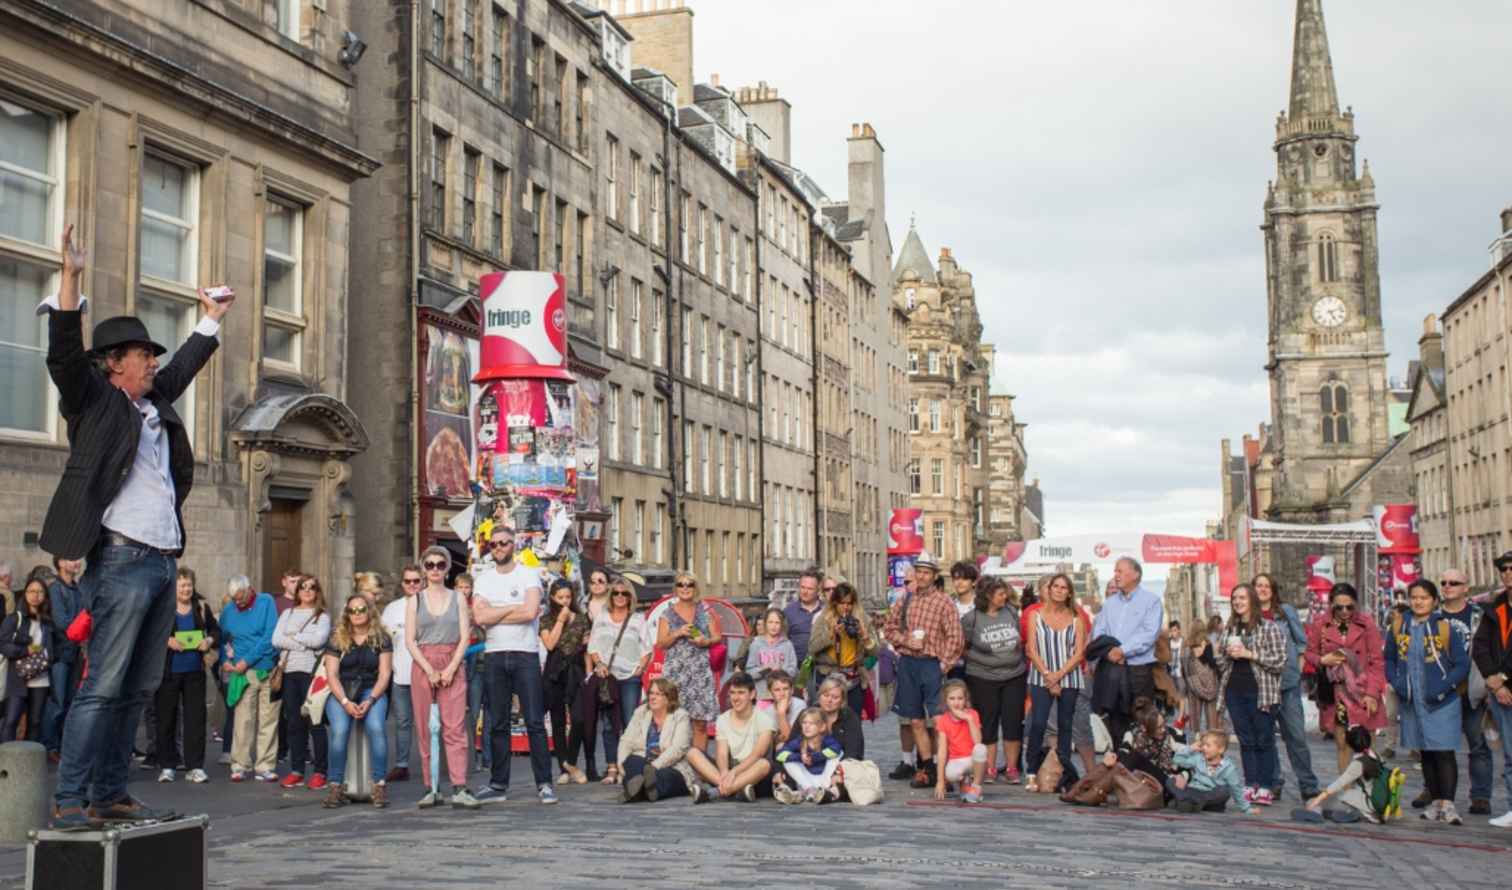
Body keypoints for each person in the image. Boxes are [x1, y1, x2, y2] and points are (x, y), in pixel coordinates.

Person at [43, 224, 230, 828]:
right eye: (143, 355)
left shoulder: (154, 403)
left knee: (135, 688)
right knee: (102, 686)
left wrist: (211, 318)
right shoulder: (95, 403)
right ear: (114, 365)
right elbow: (65, 358)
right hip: (121, 560)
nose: (153, 361)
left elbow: (186, 367)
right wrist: (71, 278)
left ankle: (110, 793)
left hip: (161, 560)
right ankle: (70, 798)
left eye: (153, 354)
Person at [471, 525, 555, 804]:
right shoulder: (483, 579)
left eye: (504, 543)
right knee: (497, 722)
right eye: (494, 544)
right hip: (495, 653)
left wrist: (496, 611)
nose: (499, 548)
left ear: (514, 545)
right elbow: (479, 618)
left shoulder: (528, 574)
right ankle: (498, 784)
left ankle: (544, 783)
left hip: (524, 653)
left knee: (534, 721)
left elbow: (530, 611)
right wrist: (511, 608)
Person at [1385, 579, 1470, 825]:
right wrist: (1397, 682)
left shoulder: (1445, 627)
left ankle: (1448, 804)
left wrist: (1444, 686)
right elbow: (1389, 659)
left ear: (1434, 600)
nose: (1418, 601)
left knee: (1443, 751)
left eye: (1424, 597)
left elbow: (1462, 664)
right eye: (1414, 597)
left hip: (1442, 701)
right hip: (1413, 700)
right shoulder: (1399, 626)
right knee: (1426, 753)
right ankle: (1434, 802)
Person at [882, 551, 964, 789]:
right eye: (919, 571)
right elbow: (889, 629)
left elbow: (955, 638)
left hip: (931, 664)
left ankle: (941, 766)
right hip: (909, 663)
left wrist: (943, 664)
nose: (922, 576)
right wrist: (906, 640)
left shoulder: (944, 602)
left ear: (934, 576)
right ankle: (926, 767)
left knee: (938, 720)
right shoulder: (906, 599)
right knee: (915, 720)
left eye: (927, 572)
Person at [407, 547, 476, 809]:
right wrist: (429, 669)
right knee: (425, 728)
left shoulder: (458, 598)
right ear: (424, 568)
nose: (435, 569)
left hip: (452, 662)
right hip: (423, 663)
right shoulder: (415, 600)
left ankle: (459, 785)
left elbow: (464, 636)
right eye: (430, 565)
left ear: (447, 568)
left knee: (455, 727)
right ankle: (431, 786)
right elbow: (410, 641)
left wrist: (450, 669)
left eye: (440, 564)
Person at [1214, 583, 1286, 806]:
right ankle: (1250, 783)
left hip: (1261, 691)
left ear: (1252, 600)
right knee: (1245, 740)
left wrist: (1249, 654)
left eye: (1242, 598)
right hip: (1235, 691)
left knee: (1263, 739)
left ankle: (1265, 786)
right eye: (1235, 598)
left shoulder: (1268, 627)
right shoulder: (1230, 629)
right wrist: (1224, 653)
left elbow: (1279, 661)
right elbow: (1221, 664)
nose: (1237, 602)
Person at [1305, 582, 1387, 774]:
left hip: (1363, 690)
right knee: (1342, 745)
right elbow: (1309, 653)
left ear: (1356, 604)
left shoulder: (1366, 624)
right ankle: (1346, 791)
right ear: (1331, 604)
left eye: (1349, 606)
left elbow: (1377, 662)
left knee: (1366, 746)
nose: (1344, 611)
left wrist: (1372, 694)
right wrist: (1322, 659)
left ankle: (1369, 792)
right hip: (1337, 693)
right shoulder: (1321, 624)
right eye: (1339, 607)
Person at [321, 595, 393, 809]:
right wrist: (344, 701)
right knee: (340, 730)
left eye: (361, 609)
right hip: (342, 690)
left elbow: (385, 674)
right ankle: (336, 786)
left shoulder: (382, 638)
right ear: (347, 614)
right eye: (352, 610)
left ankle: (379, 785)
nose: (357, 614)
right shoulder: (337, 638)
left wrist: (371, 700)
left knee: (376, 727)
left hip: (372, 690)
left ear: (370, 611)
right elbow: (331, 675)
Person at [1253, 573, 1320, 802]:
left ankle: (1308, 784)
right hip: (1261, 685)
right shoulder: (1248, 616)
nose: (1262, 589)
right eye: (1258, 585)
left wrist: (1298, 668)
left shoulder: (1286, 611)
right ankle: (1274, 781)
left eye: (1266, 585)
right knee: (1266, 738)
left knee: (1296, 737)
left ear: (1273, 589)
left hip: (1288, 683)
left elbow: (1301, 642)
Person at [1433, 568, 1492, 815]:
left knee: (1477, 744)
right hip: (1441, 690)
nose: (1448, 586)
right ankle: (1437, 793)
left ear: (1466, 588)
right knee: (1437, 745)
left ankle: (1480, 796)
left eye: (1454, 583)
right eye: (1444, 582)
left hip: (1472, 689)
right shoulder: (1433, 616)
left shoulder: (1479, 615)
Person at [1024, 573, 1087, 793]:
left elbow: (1079, 653)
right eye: (1056, 586)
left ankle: (1065, 774)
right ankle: (1031, 771)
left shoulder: (1077, 618)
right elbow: (1031, 649)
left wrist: (1058, 675)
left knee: (1065, 726)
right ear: (1049, 590)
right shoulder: (1035, 615)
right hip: (1041, 676)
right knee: (1038, 724)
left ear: (1069, 592)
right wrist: (1048, 676)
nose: (1059, 590)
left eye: (1064, 587)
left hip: (1068, 677)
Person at [961, 576, 1026, 785]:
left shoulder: (1010, 611)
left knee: (1012, 722)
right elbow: (963, 646)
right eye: (1000, 594)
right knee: (988, 724)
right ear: (988, 596)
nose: (1004, 597)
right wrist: (979, 659)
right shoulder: (972, 618)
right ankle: (989, 768)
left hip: (1014, 675)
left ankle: (1012, 767)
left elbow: (1019, 639)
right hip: (983, 677)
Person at [1091, 557, 1163, 745]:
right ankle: (1119, 765)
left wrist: (1123, 651)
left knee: (1142, 721)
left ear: (1136, 574)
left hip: (1138, 670)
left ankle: (1142, 768)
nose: (1115, 576)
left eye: (1119, 571)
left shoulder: (1151, 601)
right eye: (1115, 571)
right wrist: (1109, 652)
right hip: (1112, 669)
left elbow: (1149, 634)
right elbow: (1099, 632)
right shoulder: (1109, 604)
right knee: (1115, 720)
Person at [154, 568, 217, 784]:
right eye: (182, 585)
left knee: (195, 719)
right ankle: (167, 765)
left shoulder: (201, 607)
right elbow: (152, 632)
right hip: (169, 672)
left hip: (195, 672)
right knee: (166, 719)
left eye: (189, 584)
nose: (186, 589)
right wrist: (167, 640)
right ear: (174, 587)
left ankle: (195, 766)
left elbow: (216, 632)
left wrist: (208, 641)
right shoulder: (164, 608)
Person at [588, 576, 650, 785]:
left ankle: (629, 766)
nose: (620, 597)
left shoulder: (637, 619)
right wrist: (599, 664)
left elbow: (647, 646)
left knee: (630, 722)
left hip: (630, 676)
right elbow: (593, 645)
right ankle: (612, 766)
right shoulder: (602, 617)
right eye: (616, 593)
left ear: (630, 596)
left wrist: (639, 668)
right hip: (607, 677)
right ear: (610, 595)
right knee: (608, 724)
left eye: (624, 593)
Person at [272, 575, 331, 790]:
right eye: (302, 587)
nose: (306, 591)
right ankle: (297, 770)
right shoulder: (287, 613)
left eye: (311, 587)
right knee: (294, 723)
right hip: (289, 672)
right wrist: (303, 640)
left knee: (315, 722)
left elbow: (319, 641)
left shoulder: (322, 616)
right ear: (297, 592)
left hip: (311, 674)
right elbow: (276, 639)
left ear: (317, 591)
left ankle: (320, 771)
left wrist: (294, 636)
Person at [219, 576, 279, 782]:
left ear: (250, 589)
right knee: (243, 720)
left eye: (241, 597)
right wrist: (224, 660)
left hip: (267, 668)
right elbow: (222, 639)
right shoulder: (228, 611)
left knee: (268, 719)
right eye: (234, 599)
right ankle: (240, 764)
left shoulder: (266, 602)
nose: (238, 602)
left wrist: (247, 659)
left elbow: (270, 635)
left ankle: (265, 765)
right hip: (243, 673)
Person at [686, 672, 774, 802]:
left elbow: (757, 754)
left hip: (753, 770)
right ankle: (736, 790)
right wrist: (724, 773)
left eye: (741, 693)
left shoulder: (764, 718)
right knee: (692, 753)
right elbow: (721, 754)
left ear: (752, 694)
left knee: (764, 764)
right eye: (733, 693)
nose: (736, 698)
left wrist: (734, 773)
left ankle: (713, 793)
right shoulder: (723, 719)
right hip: (730, 769)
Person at [655, 572, 720, 742]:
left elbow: (718, 637)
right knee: (674, 722)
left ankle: (698, 766)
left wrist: (705, 641)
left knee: (700, 724)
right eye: (681, 585)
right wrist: (677, 633)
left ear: (695, 588)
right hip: (676, 675)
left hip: (700, 674)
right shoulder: (667, 613)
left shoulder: (705, 611)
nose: (685, 588)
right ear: (675, 589)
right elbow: (661, 643)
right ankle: (676, 765)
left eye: (689, 584)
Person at [541, 577, 595, 785]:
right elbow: (550, 644)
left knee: (579, 719)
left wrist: (589, 673)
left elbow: (588, 648)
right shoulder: (547, 619)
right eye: (560, 597)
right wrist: (561, 620)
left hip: (577, 670)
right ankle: (563, 766)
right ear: (553, 598)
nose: (564, 601)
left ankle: (571, 762)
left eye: (568, 597)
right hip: (555, 670)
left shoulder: (582, 619)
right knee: (557, 721)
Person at [1474, 552, 1512, 829]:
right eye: (1504, 568)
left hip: (1506, 685)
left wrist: (1504, 679)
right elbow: (1481, 647)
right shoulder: (1493, 608)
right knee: (1510, 753)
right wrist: (1491, 678)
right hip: (1499, 691)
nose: (1508, 572)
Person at [807, 582, 879, 716]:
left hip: (854, 679)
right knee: (829, 721)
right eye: (842, 603)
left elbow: (875, 653)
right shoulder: (824, 619)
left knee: (852, 722)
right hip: (829, 677)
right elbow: (812, 647)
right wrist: (831, 635)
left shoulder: (862, 620)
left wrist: (865, 638)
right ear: (835, 603)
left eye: (849, 603)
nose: (846, 607)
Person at [618, 678, 693, 803]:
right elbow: (626, 740)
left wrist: (654, 767)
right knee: (632, 761)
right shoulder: (641, 712)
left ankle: (640, 792)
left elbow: (678, 748)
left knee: (665, 777)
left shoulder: (680, 715)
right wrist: (621, 764)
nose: (652, 697)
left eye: (658, 694)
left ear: (668, 697)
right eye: (651, 693)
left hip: (670, 765)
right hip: (643, 762)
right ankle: (646, 789)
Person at [381, 564, 422, 783]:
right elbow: (383, 641)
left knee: (428, 722)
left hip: (427, 674)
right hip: (400, 674)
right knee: (403, 722)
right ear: (402, 584)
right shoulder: (392, 609)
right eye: (408, 581)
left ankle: (429, 763)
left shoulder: (432, 605)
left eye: (416, 581)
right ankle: (402, 765)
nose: (412, 585)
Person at [1, 577, 54, 742]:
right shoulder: (14, 619)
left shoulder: (47, 622)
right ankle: (6, 761)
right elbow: (2, 645)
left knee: (35, 722)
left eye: (40, 592)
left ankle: (28, 764)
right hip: (18, 677)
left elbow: (52, 650)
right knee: (11, 720)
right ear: (25, 594)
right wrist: (25, 650)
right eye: (31, 591)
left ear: (45, 596)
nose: (35, 595)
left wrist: (48, 657)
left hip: (41, 678)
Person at [1304, 725, 1389, 824]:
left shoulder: (1359, 764)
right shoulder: (1375, 755)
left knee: (1314, 801)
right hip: (1377, 798)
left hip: (1368, 801)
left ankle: (1363, 812)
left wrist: (1317, 800)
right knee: (1340, 797)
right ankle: (1354, 810)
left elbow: (1339, 783)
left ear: (1350, 744)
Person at [43, 556, 84, 759]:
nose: (77, 562)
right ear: (60, 563)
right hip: (60, 653)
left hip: (75, 652)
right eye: (72, 559)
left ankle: (61, 745)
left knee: (69, 702)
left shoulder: (78, 589)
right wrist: (81, 629)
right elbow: (61, 621)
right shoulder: (55, 589)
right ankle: (50, 745)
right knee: (57, 702)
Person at [1101, 696, 1178, 795]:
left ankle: (1098, 790)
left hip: (1163, 781)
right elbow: (1122, 755)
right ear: (1144, 728)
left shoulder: (1171, 735)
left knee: (1134, 757)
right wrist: (1111, 757)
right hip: (1139, 780)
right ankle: (1093, 789)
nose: (1163, 730)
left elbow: (1186, 762)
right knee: (1115, 761)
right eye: (1158, 727)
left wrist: (1184, 775)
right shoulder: (1133, 734)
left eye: (1163, 724)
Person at [1168, 730, 1254, 815]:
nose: (1204, 748)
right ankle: (1187, 801)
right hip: (1194, 790)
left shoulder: (1228, 767)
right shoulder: (1198, 758)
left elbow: (1236, 789)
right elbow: (1177, 760)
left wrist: (1246, 808)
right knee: (1171, 780)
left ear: (1220, 749)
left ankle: (1185, 802)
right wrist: (1190, 748)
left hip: (1211, 796)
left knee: (1225, 790)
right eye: (1203, 745)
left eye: (1208, 745)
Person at [774, 706, 844, 804]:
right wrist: (800, 757)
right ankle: (807, 790)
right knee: (788, 760)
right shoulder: (799, 741)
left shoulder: (826, 740)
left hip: (825, 778)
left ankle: (827, 791)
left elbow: (836, 749)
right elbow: (780, 755)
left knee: (838, 754)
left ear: (822, 727)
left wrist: (814, 757)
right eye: (804, 723)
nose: (807, 726)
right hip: (806, 780)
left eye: (812, 723)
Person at [933, 680, 987, 804]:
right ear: (945, 701)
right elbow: (942, 751)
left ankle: (976, 787)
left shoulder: (973, 714)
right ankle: (964, 782)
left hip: (974, 758)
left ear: (965, 699)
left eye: (960, 698)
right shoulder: (943, 720)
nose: (956, 702)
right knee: (951, 775)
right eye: (952, 699)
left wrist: (968, 719)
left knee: (981, 748)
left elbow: (978, 741)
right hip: (956, 759)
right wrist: (940, 781)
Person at [746, 609, 797, 702]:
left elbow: (793, 671)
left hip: (783, 697)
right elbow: (749, 671)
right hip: (762, 696)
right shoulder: (756, 644)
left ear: (782, 625)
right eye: (770, 622)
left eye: (777, 623)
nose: (774, 626)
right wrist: (763, 669)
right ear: (765, 623)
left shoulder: (787, 645)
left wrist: (781, 670)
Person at [783, 569, 826, 676]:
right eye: (802, 587)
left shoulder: (826, 611)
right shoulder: (789, 611)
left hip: (823, 667)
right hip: (798, 667)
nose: (805, 592)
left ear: (818, 590)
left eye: (810, 589)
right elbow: (782, 640)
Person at [1181, 622, 1221, 735]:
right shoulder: (1207, 644)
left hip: (1193, 686)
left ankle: (1196, 742)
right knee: (1212, 720)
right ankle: (1212, 742)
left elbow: (1183, 668)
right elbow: (1214, 664)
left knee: (1195, 721)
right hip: (1210, 685)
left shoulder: (1186, 646)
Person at [816, 676, 865, 760]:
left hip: (843, 766)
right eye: (825, 695)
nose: (829, 700)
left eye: (835, 697)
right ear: (819, 696)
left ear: (842, 701)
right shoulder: (809, 714)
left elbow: (854, 751)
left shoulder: (850, 717)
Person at [766, 670, 806, 748]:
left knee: (782, 745)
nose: (782, 694)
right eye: (777, 690)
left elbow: (791, 740)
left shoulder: (800, 705)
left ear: (792, 690)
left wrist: (781, 714)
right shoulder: (766, 712)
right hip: (775, 750)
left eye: (786, 689)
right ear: (770, 692)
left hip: (799, 747)